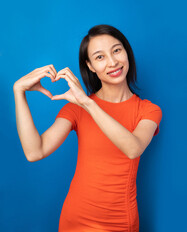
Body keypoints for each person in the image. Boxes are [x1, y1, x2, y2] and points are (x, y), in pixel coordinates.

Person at [13, 24, 162, 232]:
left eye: (117, 50)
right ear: (90, 66)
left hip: (120, 222)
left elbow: (133, 148)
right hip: (75, 220)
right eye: (100, 57)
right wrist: (18, 92)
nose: (112, 62)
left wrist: (88, 103)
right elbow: (34, 151)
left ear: (127, 52)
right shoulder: (77, 108)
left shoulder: (148, 110)